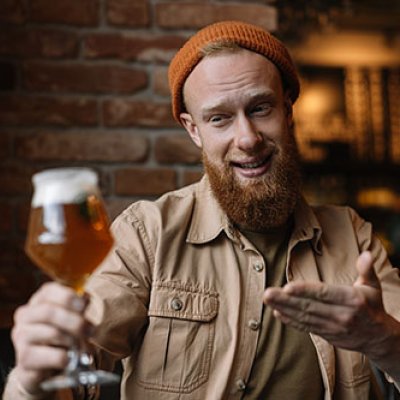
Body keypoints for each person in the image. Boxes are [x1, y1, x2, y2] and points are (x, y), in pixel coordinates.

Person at [4, 20, 400, 400]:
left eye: (261, 108)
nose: (247, 138)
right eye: (219, 118)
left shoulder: (353, 235)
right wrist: (33, 378)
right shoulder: (148, 234)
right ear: (193, 129)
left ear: (287, 110)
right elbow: (75, 370)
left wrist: (381, 338)